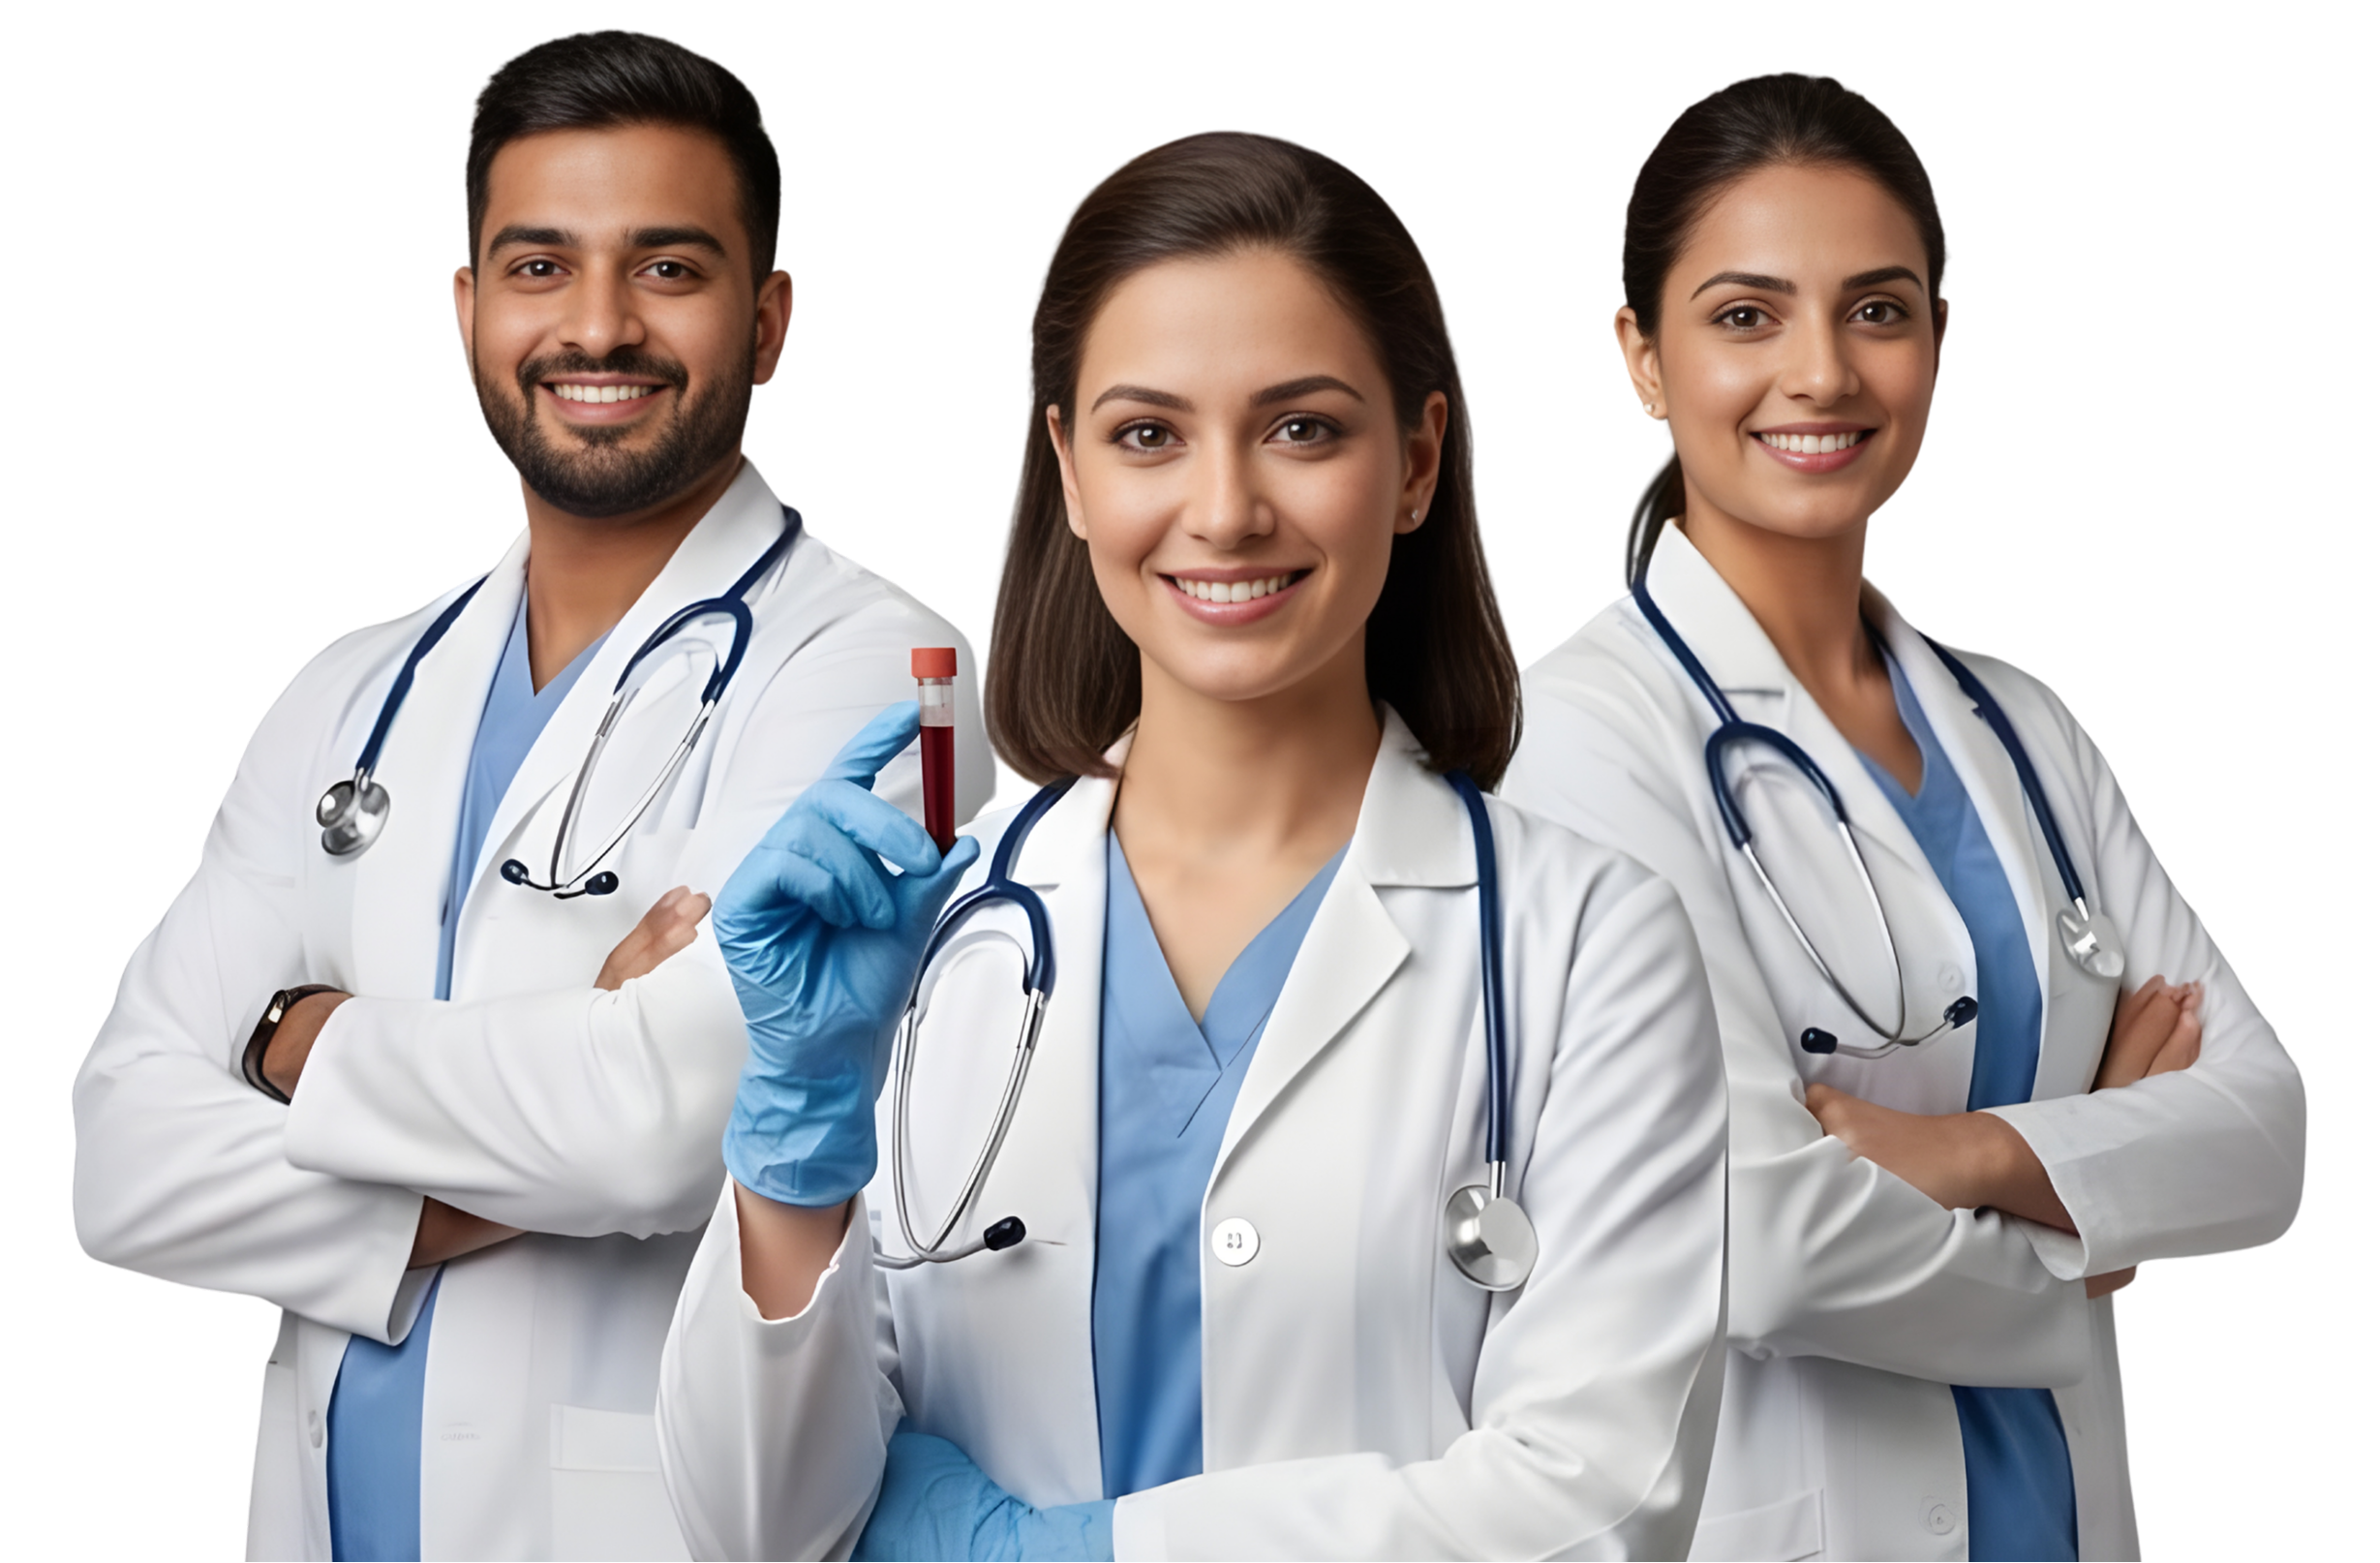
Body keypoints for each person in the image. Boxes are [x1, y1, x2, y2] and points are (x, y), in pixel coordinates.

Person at [652, 130, 1733, 1560]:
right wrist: (795, 1139)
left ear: (1416, 461)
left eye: (1303, 429)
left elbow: (1602, 1505)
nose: (1223, 510)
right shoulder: (926, 927)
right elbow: (755, 1530)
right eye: (1148, 435)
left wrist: (1075, 1551)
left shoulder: (1589, 941)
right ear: (1070, 470)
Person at [71, 29, 992, 1561]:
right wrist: (567, 1071)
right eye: (541, 266)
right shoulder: (348, 688)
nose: (599, 324)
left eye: (668, 267)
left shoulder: (894, 673)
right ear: (468, 311)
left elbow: (678, 1126)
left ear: (767, 321)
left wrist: (296, 1038)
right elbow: (123, 1161)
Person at [1499, 73, 2306, 1562]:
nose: (1820, 371)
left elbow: (2264, 1130)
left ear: (1938, 334)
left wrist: (1968, 1153)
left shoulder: (2021, 726)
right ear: (1642, 359)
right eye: (1745, 316)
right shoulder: (1579, 737)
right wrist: (2090, 1216)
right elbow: (1760, 1241)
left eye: (1874, 309)